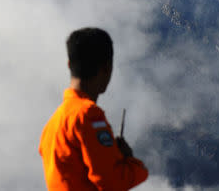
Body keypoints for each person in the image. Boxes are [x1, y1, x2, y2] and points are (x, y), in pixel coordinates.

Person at [39, 27, 148, 191]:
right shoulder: (88, 115)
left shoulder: (52, 125)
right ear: (107, 69)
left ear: (70, 65)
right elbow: (111, 182)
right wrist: (133, 164)